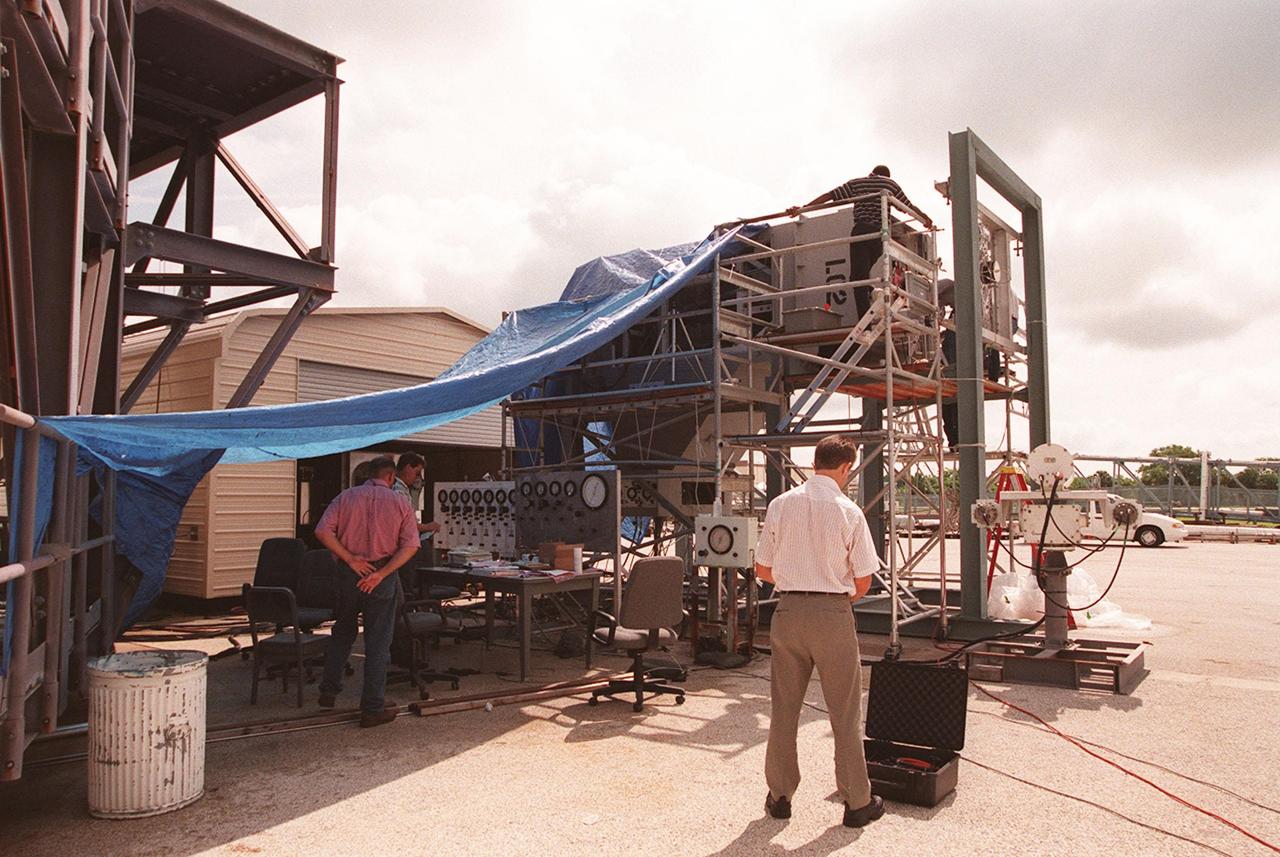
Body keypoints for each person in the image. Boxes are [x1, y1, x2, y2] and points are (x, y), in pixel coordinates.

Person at [754, 434, 885, 828]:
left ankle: (780, 797)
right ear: (845, 467)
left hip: (788, 611)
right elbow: (863, 580)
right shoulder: (848, 511)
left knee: (784, 709)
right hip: (832, 612)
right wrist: (833, 592)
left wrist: (796, 579)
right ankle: (856, 802)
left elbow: (762, 570)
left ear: (815, 462)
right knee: (844, 712)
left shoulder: (780, 505)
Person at [314, 455, 420, 727]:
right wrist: (381, 574)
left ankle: (328, 691)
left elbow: (323, 531)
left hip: (350, 573)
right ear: (390, 477)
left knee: (343, 631)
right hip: (381, 575)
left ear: (368, 475)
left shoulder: (346, 497)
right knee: (378, 641)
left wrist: (350, 559)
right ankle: (373, 706)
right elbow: (410, 546)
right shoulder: (400, 502)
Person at [795, 166, 934, 321]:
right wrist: (924, 218)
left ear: (872, 173)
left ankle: (865, 320)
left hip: (862, 231)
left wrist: (802, 209)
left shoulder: (858, 183)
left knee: (858, 278)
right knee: (862, 275)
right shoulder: (890, 184)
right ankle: (870, 292)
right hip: (880, 237)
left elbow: (829, 196)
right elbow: (908, 207)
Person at [392, 452, 441, 537]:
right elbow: (405, 524)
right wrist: (427, 527)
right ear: (408, 468)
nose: (417, 478)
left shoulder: (403, 490)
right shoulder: (398, 491)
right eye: (417, 473)